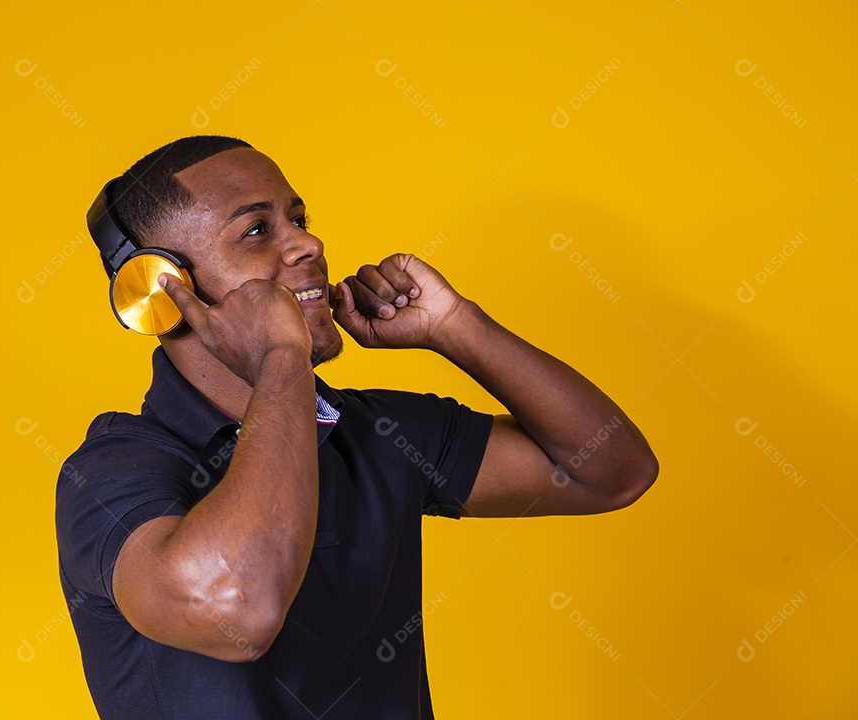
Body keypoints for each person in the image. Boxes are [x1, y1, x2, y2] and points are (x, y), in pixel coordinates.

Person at [55, 135, 658, 719]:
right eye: (257, 230)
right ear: (160, 292)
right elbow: (237, 612)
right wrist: (281, 358)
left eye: (300, 217)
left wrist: (455, 325)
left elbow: (612, 472)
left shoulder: (375, 432)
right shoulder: (110, 477)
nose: (308, 244)